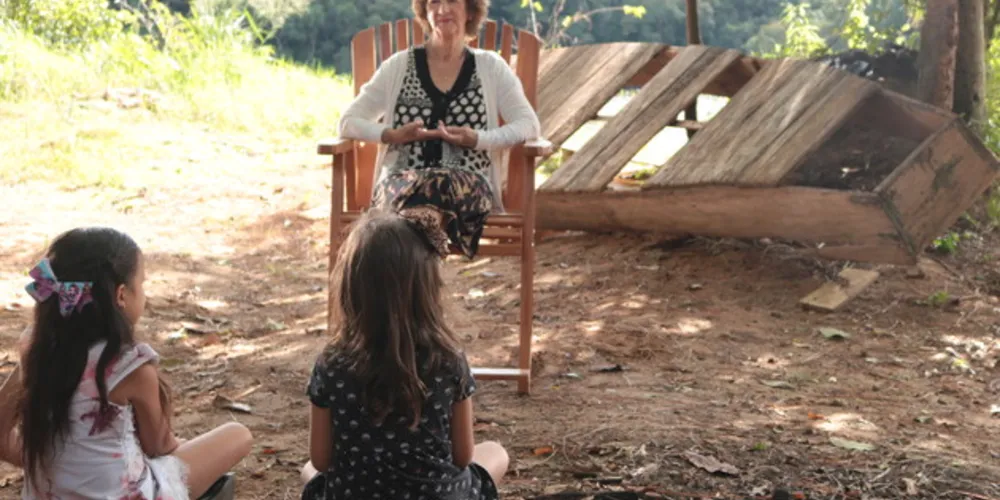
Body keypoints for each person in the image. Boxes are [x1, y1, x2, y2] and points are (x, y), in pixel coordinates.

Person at [0, 227, 253, 499]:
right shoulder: (128, 364)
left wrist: (51, 466)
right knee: (237, 434)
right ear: (121, 295)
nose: (144, 294)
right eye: (142, 284)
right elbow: (159, 446)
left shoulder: (34, 349)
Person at [301, 211, 510, 499]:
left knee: (308, 472)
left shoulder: (331, 364)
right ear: (426, 290)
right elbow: (463, 457)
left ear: (351, 288)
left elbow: (321, 461)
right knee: (495, 452)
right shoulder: (448, 360)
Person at [337, 0, 541, 258]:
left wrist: (477, 139)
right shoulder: (398, 66)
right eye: (434, 2)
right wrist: (392, 135)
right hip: (402, 184)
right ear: (424, 11)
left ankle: (421, 224)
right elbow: (347, 122)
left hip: (466, 185)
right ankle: (426, 225)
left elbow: (528, 124)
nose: (443, 9)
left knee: (439, 186)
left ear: (469, 11)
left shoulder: (490, 67)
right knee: (405, 196)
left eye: (452, 1)